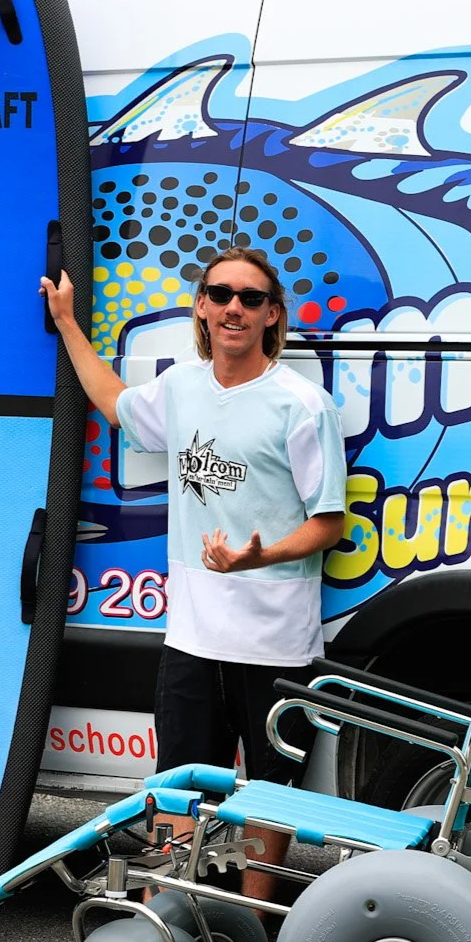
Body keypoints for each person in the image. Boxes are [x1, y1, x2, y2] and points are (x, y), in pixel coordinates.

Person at [40, 248, 347, 904]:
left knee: (265, 797)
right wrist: (67, 322)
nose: (234, 307)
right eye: (221, 293)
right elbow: (115, 401)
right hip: (193, 638)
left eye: (251, 298)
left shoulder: (302, 404)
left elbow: (329, 524)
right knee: (178, 787)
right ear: (202, 307)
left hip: (276, 644)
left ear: (272, 317)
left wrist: (258, 557)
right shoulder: (181, 387)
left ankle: (250, 922)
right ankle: (168, 919)